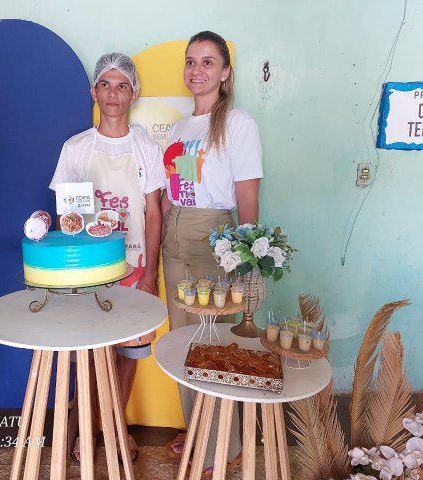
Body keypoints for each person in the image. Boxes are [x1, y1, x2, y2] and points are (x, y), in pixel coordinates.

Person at [49, 52, 165, 462]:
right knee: (91, 352)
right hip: (90, 269)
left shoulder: (146, 146)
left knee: (128, 354)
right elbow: (68, 216)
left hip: (134, 267)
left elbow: (154, 212)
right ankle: (86, 431)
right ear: (93, 91)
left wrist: (150, 272)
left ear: (134, 93)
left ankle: (116, 431)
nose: (113, 94)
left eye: (122, 85)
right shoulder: (76, 148)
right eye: (105, 84)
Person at [161, 31, 263, 477]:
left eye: (207, 62)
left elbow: (247, 195)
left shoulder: (238, 123)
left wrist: (246, 257)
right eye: (190, 62)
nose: (196, 70)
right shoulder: (182, 127)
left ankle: (225, 444)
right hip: (174, 233)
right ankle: (197, 427)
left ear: (225, 72)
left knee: (213, 342)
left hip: (213, 238)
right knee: (182, 341)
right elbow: (172, 190)